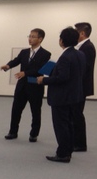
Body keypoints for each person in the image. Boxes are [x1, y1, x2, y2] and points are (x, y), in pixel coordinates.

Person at [37, 27, 86, 163]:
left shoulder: (65, 57)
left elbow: (62, 78)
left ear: (62, 40)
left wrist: (43, 80)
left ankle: (63, 153)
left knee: (61, 125)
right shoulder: (80, 54)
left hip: (62, 97)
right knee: (69, 123)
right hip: (74, 95)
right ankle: (68, 150)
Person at [0, 28, 52, 142]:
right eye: (29, 36)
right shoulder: (24, 52)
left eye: (33, 36)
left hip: (35, 87)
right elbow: (16, 60)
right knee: (16, 109)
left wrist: (25, 73)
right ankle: (13, 131)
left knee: (35, 111)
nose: (30, 39)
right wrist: (8, 66)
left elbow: (40, 69)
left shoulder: (45, 54)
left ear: (40, 39)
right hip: (22, 86)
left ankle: (34, 134)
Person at [72, 22, 96, 152]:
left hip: (80, 87)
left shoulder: (88, 47)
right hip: (77, 86)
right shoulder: (81, 47)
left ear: (82, 33)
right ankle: (75, 141)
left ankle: (80, 144)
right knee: (74, 114)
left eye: (75, 32)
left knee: (77, 114)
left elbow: (84, 68)